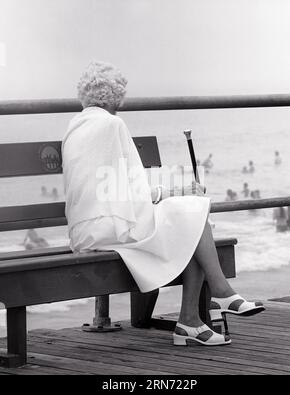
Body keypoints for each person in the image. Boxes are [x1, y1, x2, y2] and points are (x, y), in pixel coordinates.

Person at [62, 61, 264, 347]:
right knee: (194, 216)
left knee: (191, 220)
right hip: (110, 227)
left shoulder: (75, 126)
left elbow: (116, 185)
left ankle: (191, 322)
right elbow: (134, 188)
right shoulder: (112, 124)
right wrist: (175, 193)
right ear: (117, 96)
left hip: (85, 230)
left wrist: (173, 194)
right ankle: (215, 295)